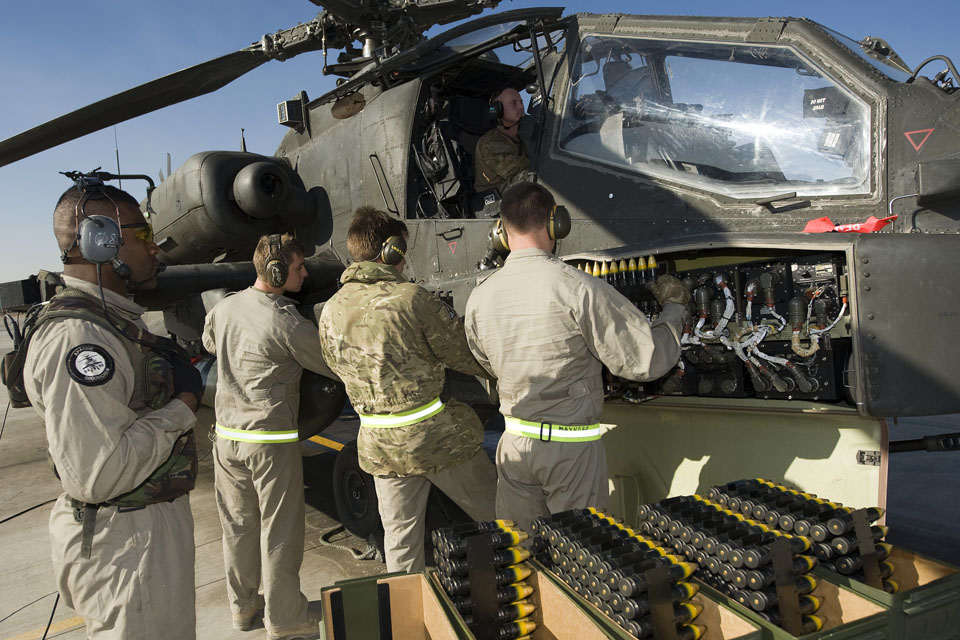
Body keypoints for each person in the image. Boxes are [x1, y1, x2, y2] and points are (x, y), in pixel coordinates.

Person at [23, 180, 202, 639]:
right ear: (101, 243)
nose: (157, 250)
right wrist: (182, 406)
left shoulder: (110, 325)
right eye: (144, 236)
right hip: (128, 543)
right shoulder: (81, 340)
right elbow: (99, 473)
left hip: (137, 536)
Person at [464, 183, 690, 533]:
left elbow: (486, 361)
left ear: (501, 233)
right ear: (556, 223)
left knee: (521, 555)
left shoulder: (480, 297)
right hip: (569, 452)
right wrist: (674, 310)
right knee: (580, 557)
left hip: (513, 449)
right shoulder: (578, 288)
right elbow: (644, 359)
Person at [317, 206, 497, 573]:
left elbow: (336, 366)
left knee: (401, 544)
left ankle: (407, 620)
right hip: (437, 442)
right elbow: (463, 354)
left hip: (381, 448)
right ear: (392, 250)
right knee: (504, 516)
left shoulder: (330, 311)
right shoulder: (411, 298)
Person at [202, 233, 336, 640]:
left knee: (238, 528)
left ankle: (244, 609)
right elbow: (330, 363)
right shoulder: (284, 319)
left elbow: (210, 343)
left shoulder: (223, 308)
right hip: (269, 443)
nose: (306, 272)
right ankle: (286, 618)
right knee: (280, 531)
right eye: (299, 267)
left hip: (226, 441)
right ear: (277, 271)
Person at [474, 86, 533, 195]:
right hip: (498, 200)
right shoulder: (489, 142)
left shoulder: (522, 136)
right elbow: (517, 169)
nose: (521, 106)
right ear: (497, 110)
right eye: (513, 103)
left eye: (521, 102)